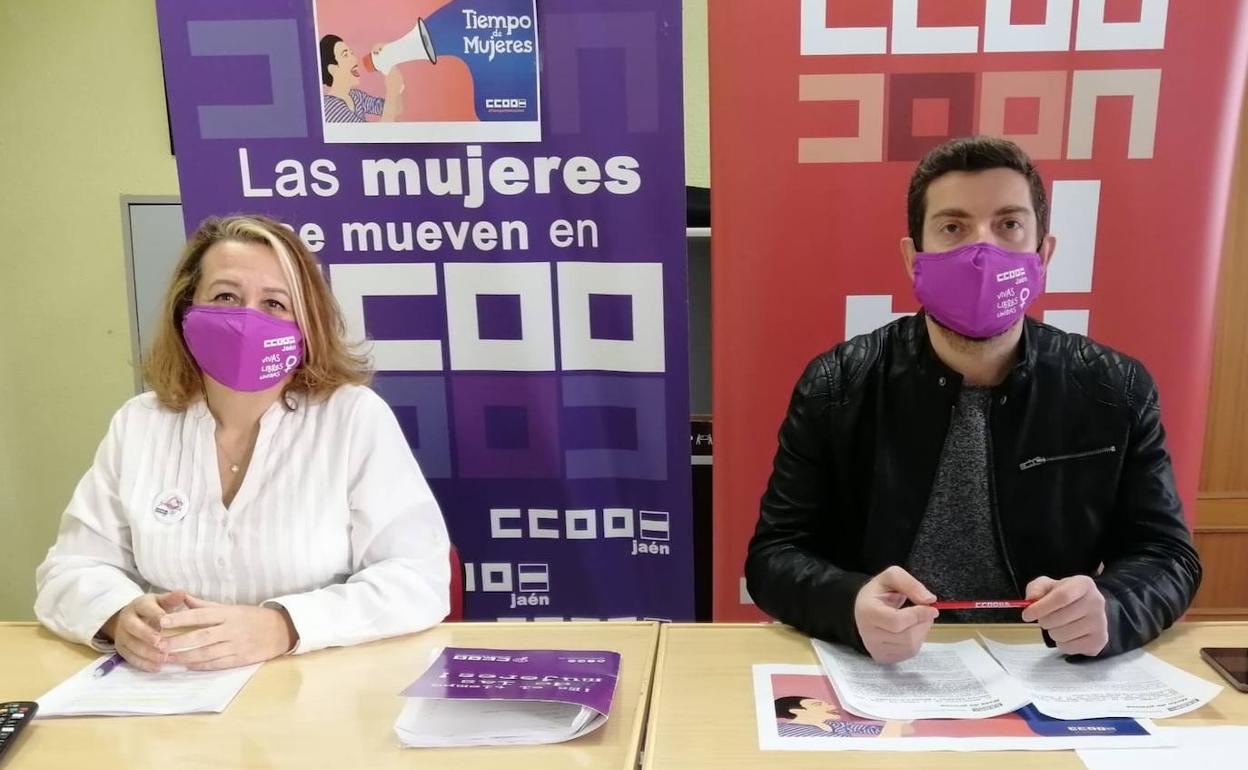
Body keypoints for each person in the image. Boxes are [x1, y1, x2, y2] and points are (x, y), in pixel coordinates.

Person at [745, 136, 1201, 664]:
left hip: (1046, 668)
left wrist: (1113, 609)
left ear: (1042, 253)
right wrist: (849, 605)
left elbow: (1168, 555)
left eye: (1009, 225)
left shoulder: (1113, 389)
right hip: (885, 671)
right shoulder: (838, 384)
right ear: (913, 257)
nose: (982, 253)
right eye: (953, 227)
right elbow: (774, 555)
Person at [35, 215, 451, 671]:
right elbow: (68, 570)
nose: (247, 319)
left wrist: (284, 626)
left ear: (306, 323)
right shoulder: (139, 425)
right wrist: (116, 616)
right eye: (226, 296)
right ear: (186, 310)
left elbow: (419, 578)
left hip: (315, 691)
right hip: (169, 691)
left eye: (274, 303)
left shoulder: (352, 418)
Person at [320, 34, 403, 123]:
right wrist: (392, 91)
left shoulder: (356, 96)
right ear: (332, 69)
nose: (355, 59)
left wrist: (388, 62)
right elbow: (374, 135)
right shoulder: (330, 106)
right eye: (345, 55)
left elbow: (396, 109)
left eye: (352, 53)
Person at [773, 695, 892, 737]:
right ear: (796, 711)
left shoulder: (835, 725)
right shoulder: (784, 731)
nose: (832, 707)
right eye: (818, 705)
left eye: (828, 704)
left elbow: (883, 731)